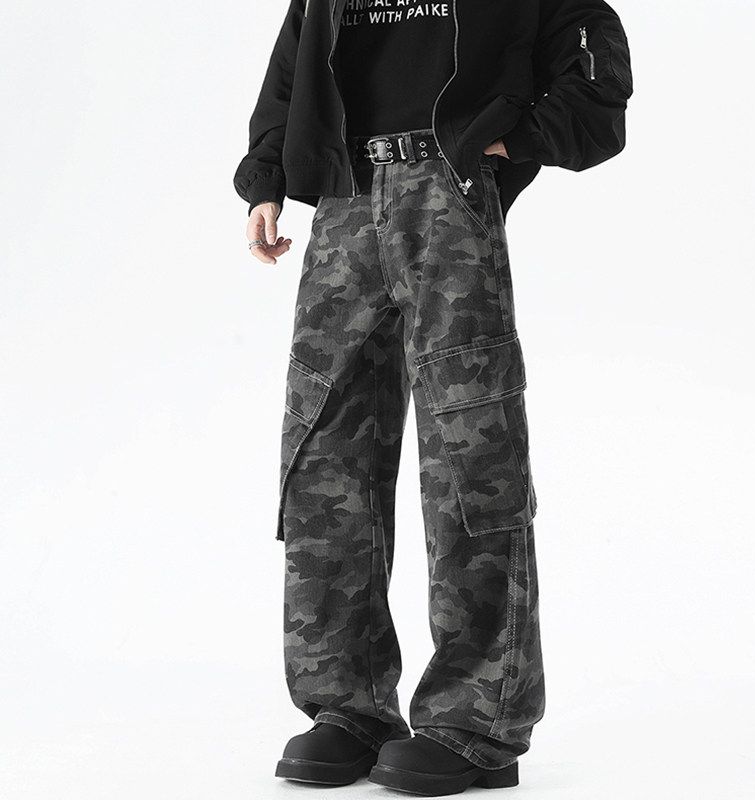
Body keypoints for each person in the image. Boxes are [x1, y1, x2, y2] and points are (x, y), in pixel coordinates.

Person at [233, 0, 632, 794]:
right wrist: (267, 178)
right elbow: (292, 65)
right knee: (323, 456)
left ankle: (477, 721)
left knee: (469, 458)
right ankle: (346, 707)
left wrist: (514, 137)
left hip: (447, 189)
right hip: (344, 196)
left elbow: (594, 59)